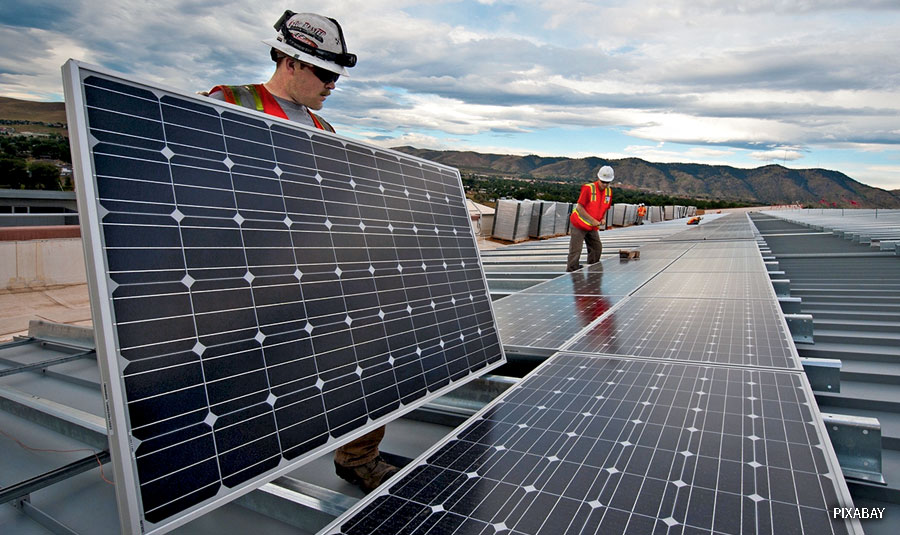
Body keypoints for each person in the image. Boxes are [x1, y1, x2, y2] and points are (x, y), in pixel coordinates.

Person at [206, 10, 397, 494]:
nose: (333, 84)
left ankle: (358, 456)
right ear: (290, 61)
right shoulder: (227, 103)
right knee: (242, 379)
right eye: (325, 73)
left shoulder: (324, 130)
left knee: (371, 348)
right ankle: (218, 463)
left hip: (306, 271)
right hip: (240, 276)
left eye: (337, 75)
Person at [566, 166, 614, 272]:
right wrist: (592, 220)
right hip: (579, 223)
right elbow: (579, 207)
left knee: (597, 248)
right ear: (598, 178)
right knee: (576, 250)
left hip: (592, 226)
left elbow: (606, 207)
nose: (605, 185)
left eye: (607, 182)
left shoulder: (609, 192)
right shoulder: (589, 188)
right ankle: (571, 271)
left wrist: (603, 218)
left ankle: (593, 269)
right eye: (603, 182)